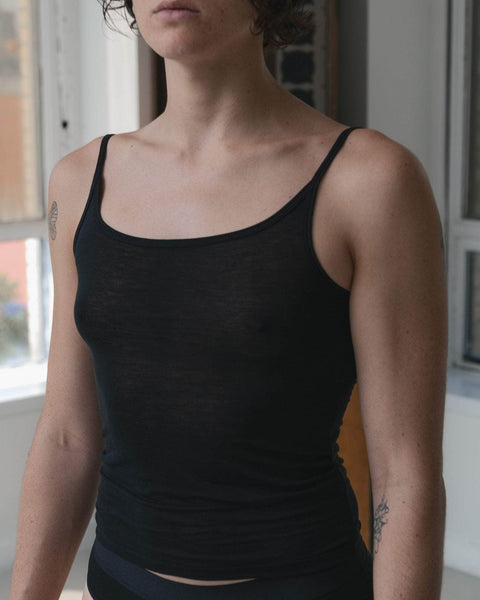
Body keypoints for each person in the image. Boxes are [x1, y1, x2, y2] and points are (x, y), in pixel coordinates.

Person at [8, 1, 448, 599]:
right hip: (118, 583)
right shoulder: (79, 180)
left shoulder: (371, 180)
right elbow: (66, 436)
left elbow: (405, 473)